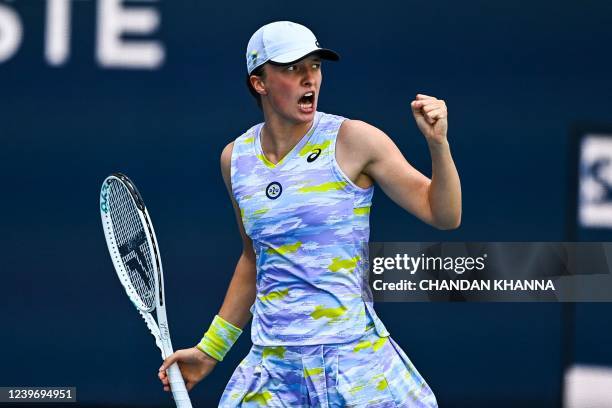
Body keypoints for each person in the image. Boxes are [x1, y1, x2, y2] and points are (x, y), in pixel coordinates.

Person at [158, 21, 460, 407]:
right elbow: (254, 260)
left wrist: (438, 145)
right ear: (259, 83)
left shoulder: (355, 140)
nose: (309, 79)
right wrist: (209, 351)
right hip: (273, 370)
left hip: (352, 364)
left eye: (314, 66)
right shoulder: (236, 159)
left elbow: (444, 213)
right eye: (291, 68)